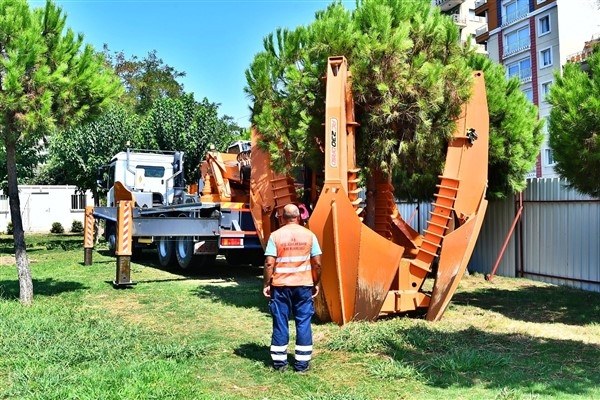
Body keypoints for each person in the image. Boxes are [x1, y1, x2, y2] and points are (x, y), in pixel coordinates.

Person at [262, 203, 322, 373]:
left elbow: (268, 263)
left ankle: (280, 363)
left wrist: (267, 283)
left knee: (280, 322)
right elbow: (317, 264)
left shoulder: (275, 236)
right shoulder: (310, 236)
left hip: (280, 286)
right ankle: (302, 365)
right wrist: (316, 282)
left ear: (282, 217)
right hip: (303, 286)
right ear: (299, 216)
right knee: (303, 322)